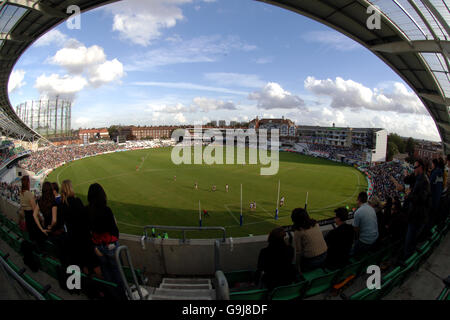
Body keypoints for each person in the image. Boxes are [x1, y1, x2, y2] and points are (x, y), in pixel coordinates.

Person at [59, 180, 100, 277]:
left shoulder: (61, 205)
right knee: (95, 264)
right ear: (70, 188)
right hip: (83, 237)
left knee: (83, 264)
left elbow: (62, 222)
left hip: (72, 238)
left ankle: (90, 285)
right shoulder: (77, 201)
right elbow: (85, 218)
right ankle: (105, 288)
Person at [87, 183, 122, 287]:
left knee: (106, 271)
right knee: (117, 271)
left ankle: (112, 293)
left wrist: (94, 247)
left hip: (98, 246)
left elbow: (88, 230)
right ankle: (121, 293)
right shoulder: (106, 210)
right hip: (110, 244)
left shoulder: (87, 210)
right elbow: (114, 228)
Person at [403, 159, 431, 259]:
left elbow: (420, 200)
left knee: (410, 241)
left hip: (418, 217)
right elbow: (406, 180)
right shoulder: (417, 177)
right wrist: (407, 175)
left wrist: (407, 193)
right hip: (414, 215)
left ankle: (407, 261)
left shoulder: (424, 181)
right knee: (410, 240)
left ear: (421, 168)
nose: (413, 169)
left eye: (415, 167)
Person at [291, 208, 328, 273]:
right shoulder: (315, 224)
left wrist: (297, 266)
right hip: (325, 254)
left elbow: (298, 252)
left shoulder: (298, 232)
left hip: (312, 260)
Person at [351, 192, 379, 257]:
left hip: (366, 241)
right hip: (375, 237)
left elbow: (355, 229)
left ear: (359, 200)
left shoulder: (358, 212)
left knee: (351, 251)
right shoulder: (371, 209)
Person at [20, 176, 42, 245]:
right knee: (37, 234)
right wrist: (40, 218)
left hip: (27, 216)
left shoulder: (21, 193)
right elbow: (35, 209)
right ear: (28, 183)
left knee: (31, 234)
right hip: (32, 216)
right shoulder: (29, 194)